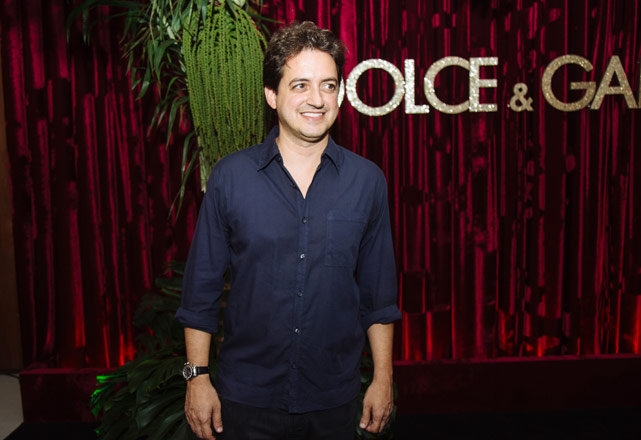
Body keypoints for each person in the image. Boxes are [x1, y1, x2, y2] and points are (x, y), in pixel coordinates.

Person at [176, 21, 401, 440]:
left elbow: (379, 296)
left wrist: (383, 377)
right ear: (271, 95)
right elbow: (200, 292)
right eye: (300, 85)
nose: (317, 99)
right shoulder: (230, 178)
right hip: (246, 399)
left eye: (328, 85)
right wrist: (197, 377)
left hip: (334, 400)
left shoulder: (367, 181)